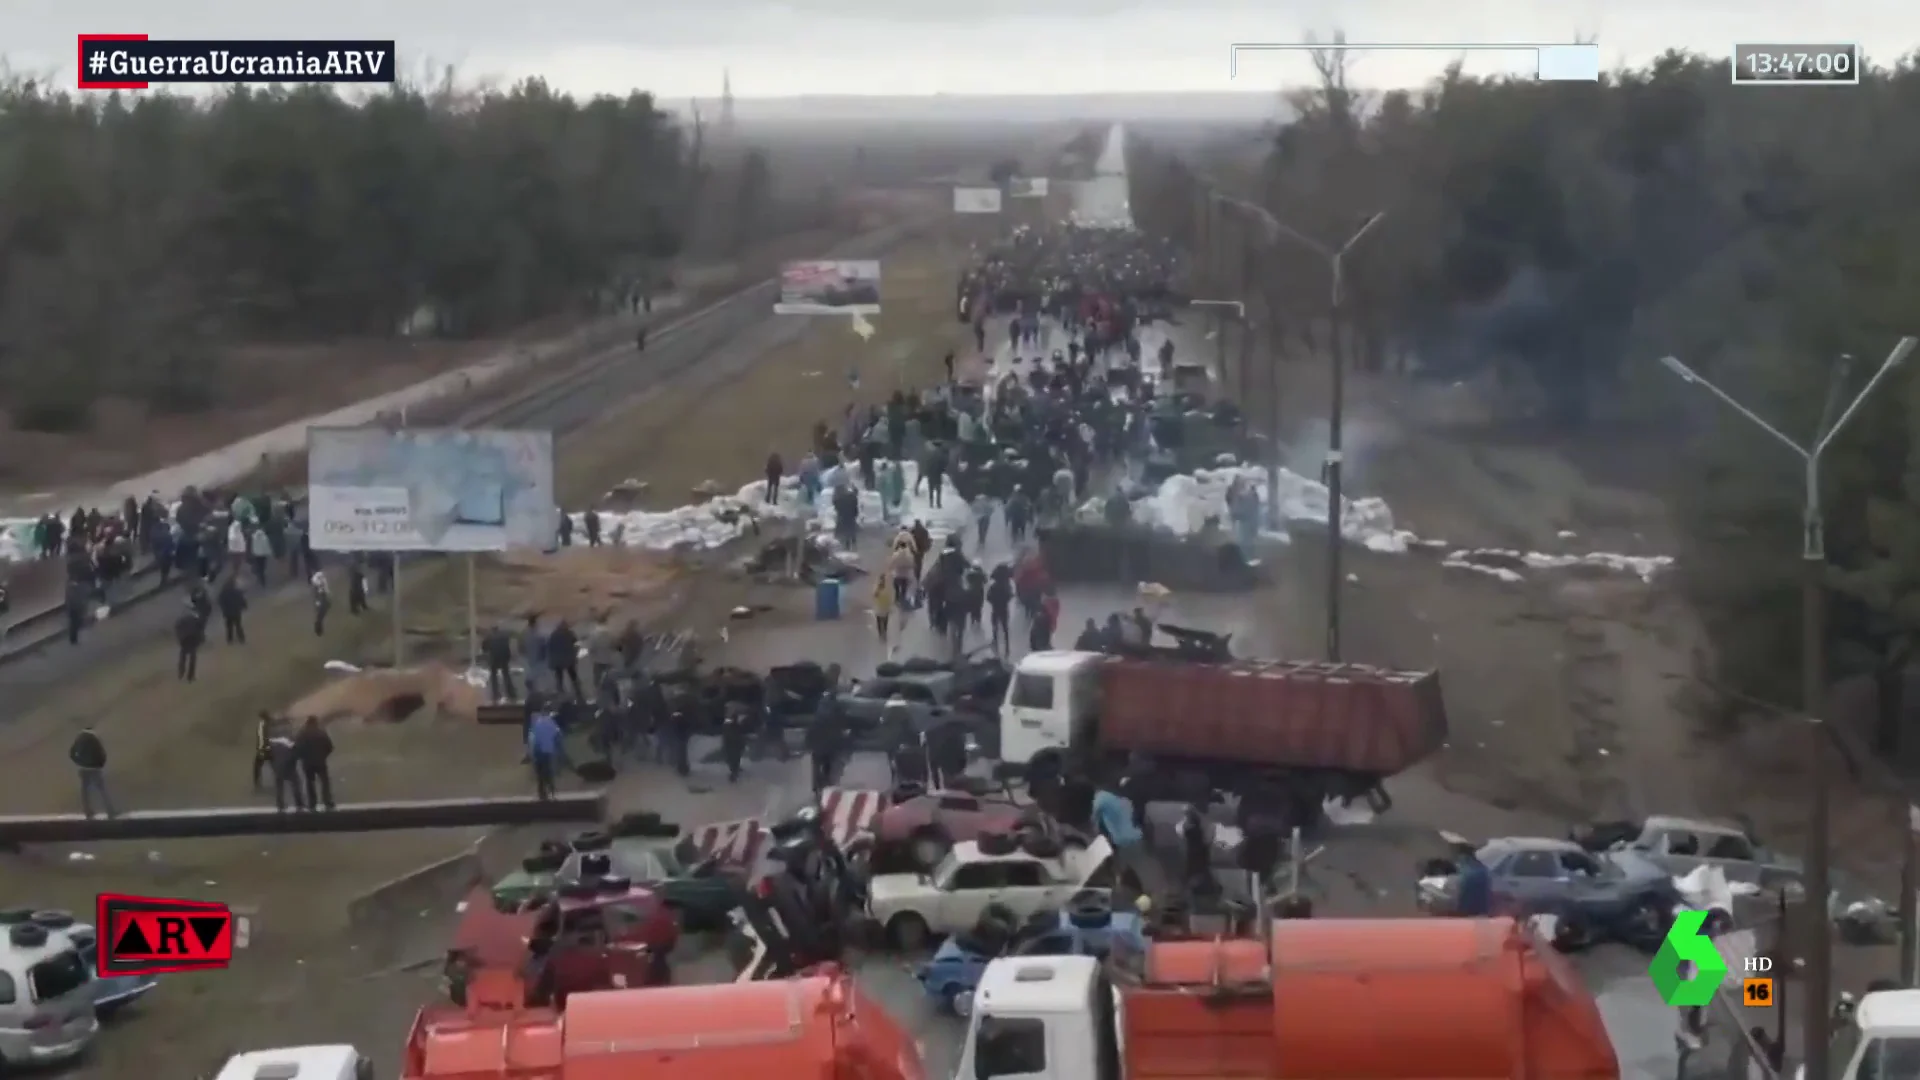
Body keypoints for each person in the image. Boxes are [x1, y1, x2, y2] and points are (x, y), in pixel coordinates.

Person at [69, 726, 114, 819]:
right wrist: (100, 764)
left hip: (84, 768)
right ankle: (109, 810)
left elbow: (72, 753)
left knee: (85, 791)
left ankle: (88, 811)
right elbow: (101, 752)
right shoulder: (95, 737)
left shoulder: (79, 737)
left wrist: (79, 762)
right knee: (102, 790)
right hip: (94, 768)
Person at [294, 717, 335, 810]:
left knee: (309, 783)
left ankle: (312, 803)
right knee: (325, 782)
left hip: (307, 762)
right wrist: (323, 755)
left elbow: (296, 748)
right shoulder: (321, 733)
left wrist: (302, 757)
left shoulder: (302, 734)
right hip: (320, 761)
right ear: (316, 723)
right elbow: (330, 747)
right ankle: (327, 801)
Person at [527, 707, 562, 799]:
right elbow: (557, 735)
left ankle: (542, 793)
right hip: (548, 751)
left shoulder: (536, 724)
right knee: (548, 773)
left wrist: (530, 754)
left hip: (538, 752)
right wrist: (558, 749)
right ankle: (551, 792)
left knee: (540, 775)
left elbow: (533, 740)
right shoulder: (550, 722)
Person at [871, 572, 894, 648]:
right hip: (882, 607)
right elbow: (875, 595)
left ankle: (882, 634)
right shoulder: (881, 588)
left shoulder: (884, 588)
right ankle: (882, 634)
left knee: (882, 622)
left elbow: (875, 595)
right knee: (882, 622)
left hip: (882, 607)